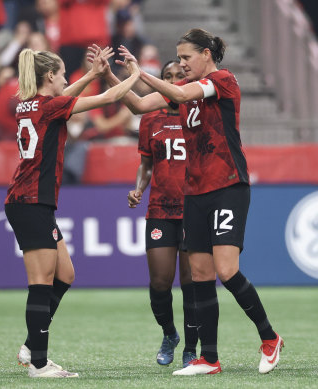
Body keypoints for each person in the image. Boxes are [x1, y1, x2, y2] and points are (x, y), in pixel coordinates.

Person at [114, 28, 283, 375]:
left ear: (206, 54)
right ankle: (209, 357)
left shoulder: (222, 80)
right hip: (195, 193)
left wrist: (139, 72)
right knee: (202, 274)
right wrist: (112, 75)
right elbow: (141, 104)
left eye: (186, 57)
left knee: (225, 270)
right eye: (178, 57)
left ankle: (269, 337)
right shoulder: (185, 93)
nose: (181, 63)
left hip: (227, 187)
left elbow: (175, 89)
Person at [5, 46, 140, 378]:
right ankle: (38, 363)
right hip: (30, 201)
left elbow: (62, 97)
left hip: (32, 200)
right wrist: (135, 75)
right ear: (49, 75)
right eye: (63, 73)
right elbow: (109, 99)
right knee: (40, 282)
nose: (66, 79)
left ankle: (30, 345)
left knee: (65, 275)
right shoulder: (49, 106)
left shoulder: (31, 103)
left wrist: (91, 74)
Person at [127, 60, 198, 368]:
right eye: (166, 76)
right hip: (160, 208)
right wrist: (139, 188)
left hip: (194, 208)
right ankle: (169, 334)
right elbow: (146, 165)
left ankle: (190, 350)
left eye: (178, 76)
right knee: (159, 282)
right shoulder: (150, 120)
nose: (172, 81)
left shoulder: (198, 117)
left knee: (192, 283)